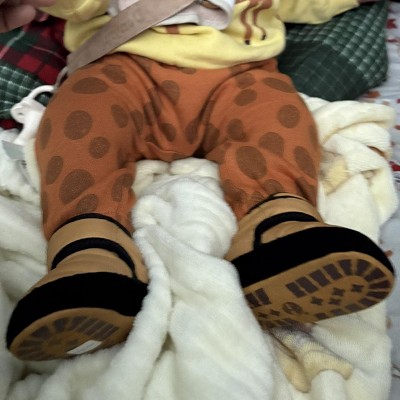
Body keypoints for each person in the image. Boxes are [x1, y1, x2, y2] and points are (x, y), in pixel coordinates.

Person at [3, 0, 394, 362]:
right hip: (120, 70)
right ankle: (90, 251)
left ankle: (279, 227)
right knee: (78, 122)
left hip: (238, 76)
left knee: (279, 115)